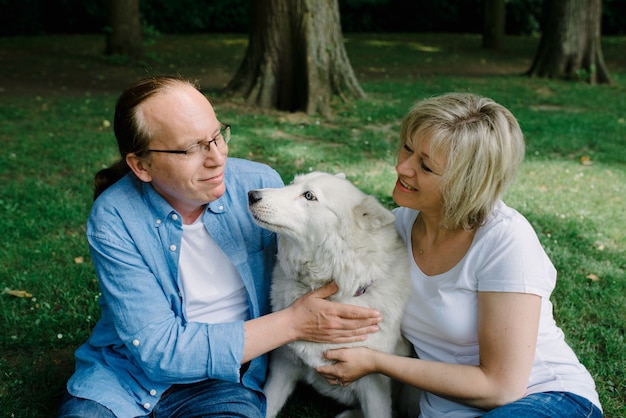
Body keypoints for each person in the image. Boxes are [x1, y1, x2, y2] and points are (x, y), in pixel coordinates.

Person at [57, 76, 382, 418]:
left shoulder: (259, 186)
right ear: (141, 165)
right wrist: (294, 323)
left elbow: (331, 242)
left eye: (216, 136)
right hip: (123, 376)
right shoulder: (116, 216)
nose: (216, 158)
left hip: (223, 380)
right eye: (190, 148)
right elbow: (158, 351)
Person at [317, 93, 603, 417]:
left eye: (425, 165)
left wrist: (374, 362)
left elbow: (501, 387)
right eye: (407, 148)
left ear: (465, 185)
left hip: (544, 400)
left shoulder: (506, 241)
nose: (402, 167)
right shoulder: (394, 227)